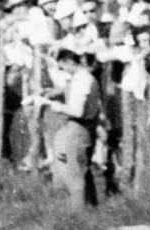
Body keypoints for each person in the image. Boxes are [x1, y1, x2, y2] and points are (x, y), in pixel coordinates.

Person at [38, 46, 103, 208]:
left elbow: (77, 111)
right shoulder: (84, 77)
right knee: (83, 169)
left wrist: (53, 105)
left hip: (79, 127)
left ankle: (78, 211)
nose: (64, 71)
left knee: (74, 172)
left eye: (63, 66)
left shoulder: (82, 80)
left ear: (68, 61)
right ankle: (90, 205)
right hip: (86, 126)